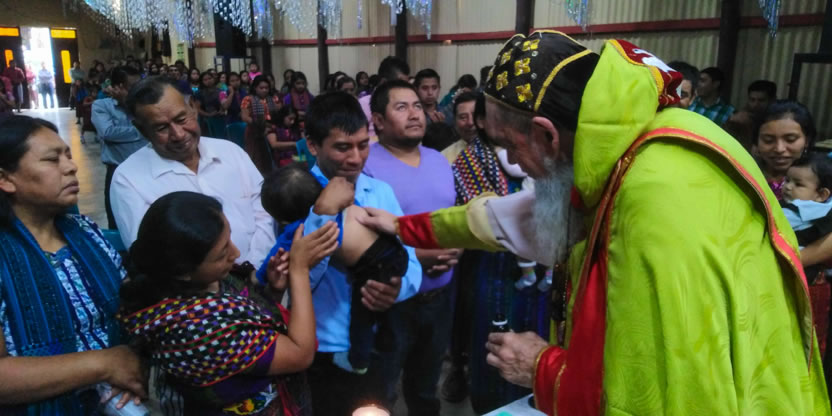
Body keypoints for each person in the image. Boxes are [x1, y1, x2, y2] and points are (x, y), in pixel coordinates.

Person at [358, 31, 830, 415]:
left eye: (510, 146)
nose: (511, 162)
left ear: (546, 135)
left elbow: (657, 396)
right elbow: (501, 219)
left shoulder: (654, 199)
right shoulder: (622, 144)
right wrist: (403, 227)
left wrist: (541, 367)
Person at [120, 191, 337, 416]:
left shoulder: (207, 281)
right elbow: (300, 354)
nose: (236, 253)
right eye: (222, 254)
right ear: (183, 271)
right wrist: (299, 271)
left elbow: (250, 325)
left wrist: (273, 291)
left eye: (229, 239)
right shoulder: (199, 329)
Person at [0, 115, 146, 414]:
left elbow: (130, 304)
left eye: (67, 155)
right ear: (5, 179)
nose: (70, 166)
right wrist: (104, 364)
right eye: (51, 159)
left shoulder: (85, 231)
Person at [301, 91, 422, 416]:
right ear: (313, 145)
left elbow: (410, 260)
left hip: (378, 343)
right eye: (343, 147)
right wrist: (323, 213)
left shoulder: (379, 191)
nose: (356, 158)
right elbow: (299, 278)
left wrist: (397, 289)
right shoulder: (296, 194)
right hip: (322, 346)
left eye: (363, 144)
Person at [363, 79, 460, 415]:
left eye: (417, 105)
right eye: (401, 107)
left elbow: (452, 217)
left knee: (425, 388)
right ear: (378, 120)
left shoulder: (438, 160)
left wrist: (457, 248)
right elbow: (362, 237)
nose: (415, 114)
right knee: (381, 391)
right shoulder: (367, 165)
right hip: (392, 301)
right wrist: (420, 257)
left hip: (440, 297)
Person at [110, 76, 276, 269]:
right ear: (142, 130)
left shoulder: (231, 152)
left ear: (193, 108)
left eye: (181, 119)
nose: (179, 134)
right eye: (162, 128)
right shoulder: (128, 180)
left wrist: (256, 265)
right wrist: (235, 279)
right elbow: (153, 256)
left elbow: (265, 211)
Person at [260, 165, 410, 375]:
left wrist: (260, 276)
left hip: (376, 264)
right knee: (384, 313)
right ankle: (386, 342)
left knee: (362, 316)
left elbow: (277, 254)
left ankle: (358, 360)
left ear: (282, 220)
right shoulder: (332, 194)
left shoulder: (301, 229)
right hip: (394, 248)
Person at [90, 65, 148, 230]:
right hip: (118, 171)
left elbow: (155, 126)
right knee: (119, 223)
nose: (138, 91)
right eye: (133, 87)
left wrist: (130, 105)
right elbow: (108, 132)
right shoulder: (101, 106)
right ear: (118, 87)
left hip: (147, 168)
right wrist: (142, 130)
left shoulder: (144, 105)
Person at [756, 100, 816, 201]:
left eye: (790, 139)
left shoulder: (821, 178)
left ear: (807, 140)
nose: (779, 149)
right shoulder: (744, 174)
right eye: (768, 140)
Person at [360, 56, 411, 137]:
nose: (404, 88)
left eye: (406, 84)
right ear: (384, 82)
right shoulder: (363, 104)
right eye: (400, 84)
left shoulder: (408, 104)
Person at [242, 75, 284, 173]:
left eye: (266, 88)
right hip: (254, 132)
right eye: (261, 88)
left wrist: (271, 126)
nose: (264, 90)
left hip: (272, 131)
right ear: (255, 88)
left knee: (271, 160)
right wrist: (262, 125)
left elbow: (279, 112)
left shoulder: (273, 98)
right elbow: (245, 117)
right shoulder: (248, 99)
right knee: (256, 160)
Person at [726, 80, 778, 150]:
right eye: (752, 100)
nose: (756, 104)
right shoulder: (739, 120)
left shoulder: (778, 120)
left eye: (761, 100)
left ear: (772, 100)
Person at [441, 91, 478, 164]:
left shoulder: (499, 152)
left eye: (475, 115)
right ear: (455, 122)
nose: (470, 122)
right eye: (463, 117)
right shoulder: (443, 158)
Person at [194, 71, 226, 139]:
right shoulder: (199, 93)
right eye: (205, 80)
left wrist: (222, 110)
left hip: (220, 118)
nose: (208, 81)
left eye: (210, 78)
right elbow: (197, 108)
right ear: (202, 81)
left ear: (213, 79)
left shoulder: (220, 91)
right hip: (207, 120)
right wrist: (209, 114)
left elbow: (223, 104)